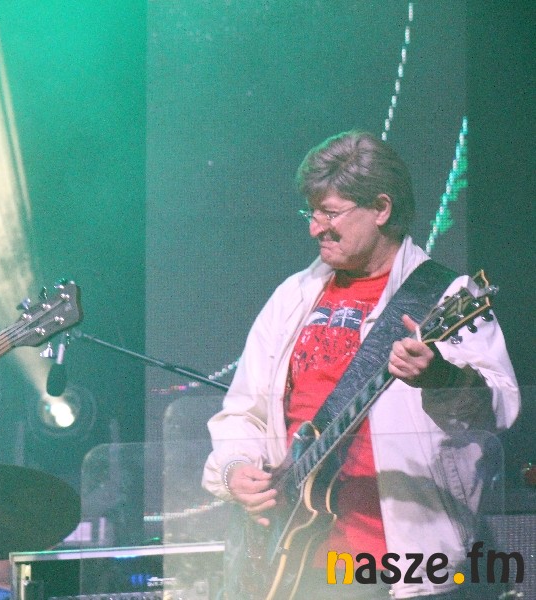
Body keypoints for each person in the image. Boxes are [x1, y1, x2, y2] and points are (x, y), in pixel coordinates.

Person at [202, 131, 519, 599]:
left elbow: (500, 409)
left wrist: (440, 377)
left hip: (399, 563)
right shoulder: (292, 296)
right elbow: (243, 411)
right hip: (295, 558)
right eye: (311, 213)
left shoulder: (447, 297)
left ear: (381, 209)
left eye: (329, 213)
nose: (315, 228)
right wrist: (234, 467)